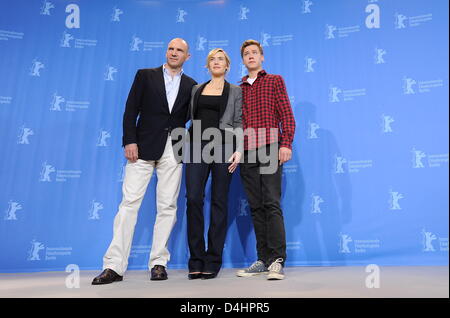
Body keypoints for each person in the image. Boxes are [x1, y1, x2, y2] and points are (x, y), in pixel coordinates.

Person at [92, 38, 197, 284]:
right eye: (171, 49)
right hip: (141, 147)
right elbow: (131, 110)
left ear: (187, 57)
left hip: (174, 150)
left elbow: (196, 119)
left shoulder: (192, 85)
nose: (174, 53)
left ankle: (158, 263)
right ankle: (114, 266)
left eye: (179, 50)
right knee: (128, 204)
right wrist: (130, 140)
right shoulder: (145, 76)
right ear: (166, 51)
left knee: (168, 207)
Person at [236, 39, 295, 280]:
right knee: (256, 206)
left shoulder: (274, 81)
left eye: (254, 53)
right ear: (243, 60)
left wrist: (286, 144)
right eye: (246, 54)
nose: (251, 56)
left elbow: (287, 116)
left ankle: (277, 260)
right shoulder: (237, 88)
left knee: (271, 202)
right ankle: (262, 258)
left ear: (262, 58)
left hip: (270, 147)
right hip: (247, 151)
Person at [185, 48, 243, 280]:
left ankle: (213, 259)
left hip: (224, 146)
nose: (216, 62)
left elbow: (238, 121)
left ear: (227, 66)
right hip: (196, 145)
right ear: (207, 66)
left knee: (219, 200)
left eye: (220, 59)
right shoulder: (196, 89)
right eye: (212, 60)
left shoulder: (236, 91)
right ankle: (196, 258)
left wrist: (238, 150)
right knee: (193, 199)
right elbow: (190, 117)